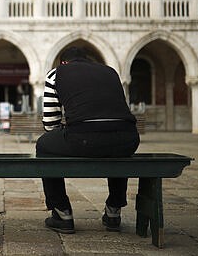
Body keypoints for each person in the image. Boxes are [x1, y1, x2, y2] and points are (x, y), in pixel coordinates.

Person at [37, 46, 140, 234]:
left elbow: (50, 125)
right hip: (128, 138)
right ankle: (114, 208)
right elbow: (116, 112)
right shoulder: (110, 72)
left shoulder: (56, 74)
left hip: (85, 138)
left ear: (63, 62)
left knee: (44, 145)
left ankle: (61, 211)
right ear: (88, 60)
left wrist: (68, 134)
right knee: (115, 143)